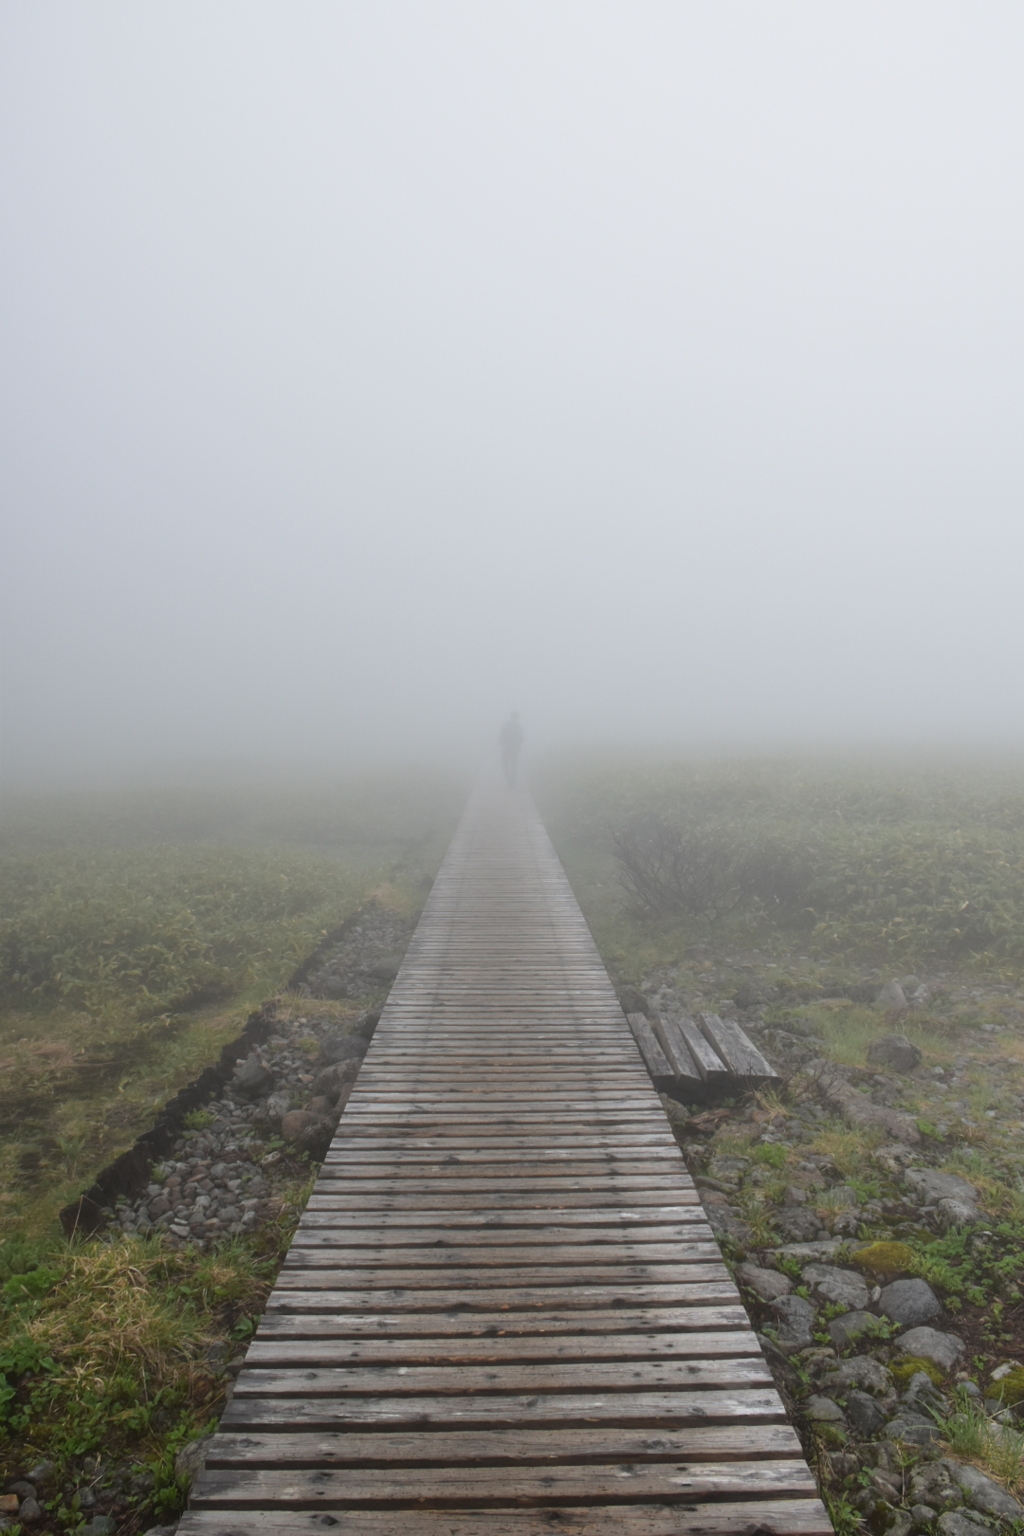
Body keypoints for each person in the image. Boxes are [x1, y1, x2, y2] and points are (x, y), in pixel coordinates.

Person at [499, 710, 524, 787]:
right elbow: (522, 739)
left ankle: (509, 780)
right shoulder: (519, 726)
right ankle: (513, 781)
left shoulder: (506, 725)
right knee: (514, 765)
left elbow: (501, 737)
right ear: (517, 717)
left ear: (511, 716)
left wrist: (503, 743)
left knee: (505, 765)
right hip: (515, 749)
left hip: (506, 748)